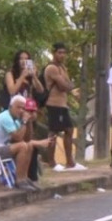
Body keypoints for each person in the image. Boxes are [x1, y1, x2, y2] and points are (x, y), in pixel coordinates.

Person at [0, 95, 54, 192]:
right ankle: (19, 180)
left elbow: (27, 139)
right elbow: (18, 138)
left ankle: (25, 178)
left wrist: (29, 121)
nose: (21, 110)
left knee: (29, 146)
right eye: (18, 107)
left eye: (23, 108)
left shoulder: (15, 120)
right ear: (10, 107)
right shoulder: (6, 117)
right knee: (22, 146)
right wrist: (24, 120)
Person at [42, 42, 85, 172]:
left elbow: (68, 85)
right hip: (54, 103)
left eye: (64, 53)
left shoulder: (62, 67)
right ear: (54, 53)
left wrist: (67, 85)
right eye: (59, 52)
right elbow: (64, 86)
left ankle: (70, 162)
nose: (62, 55)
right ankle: (52, 162)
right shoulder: (51, 68)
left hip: (63, 104)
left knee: (69, 130)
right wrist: (67, 84)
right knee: (54, 132)